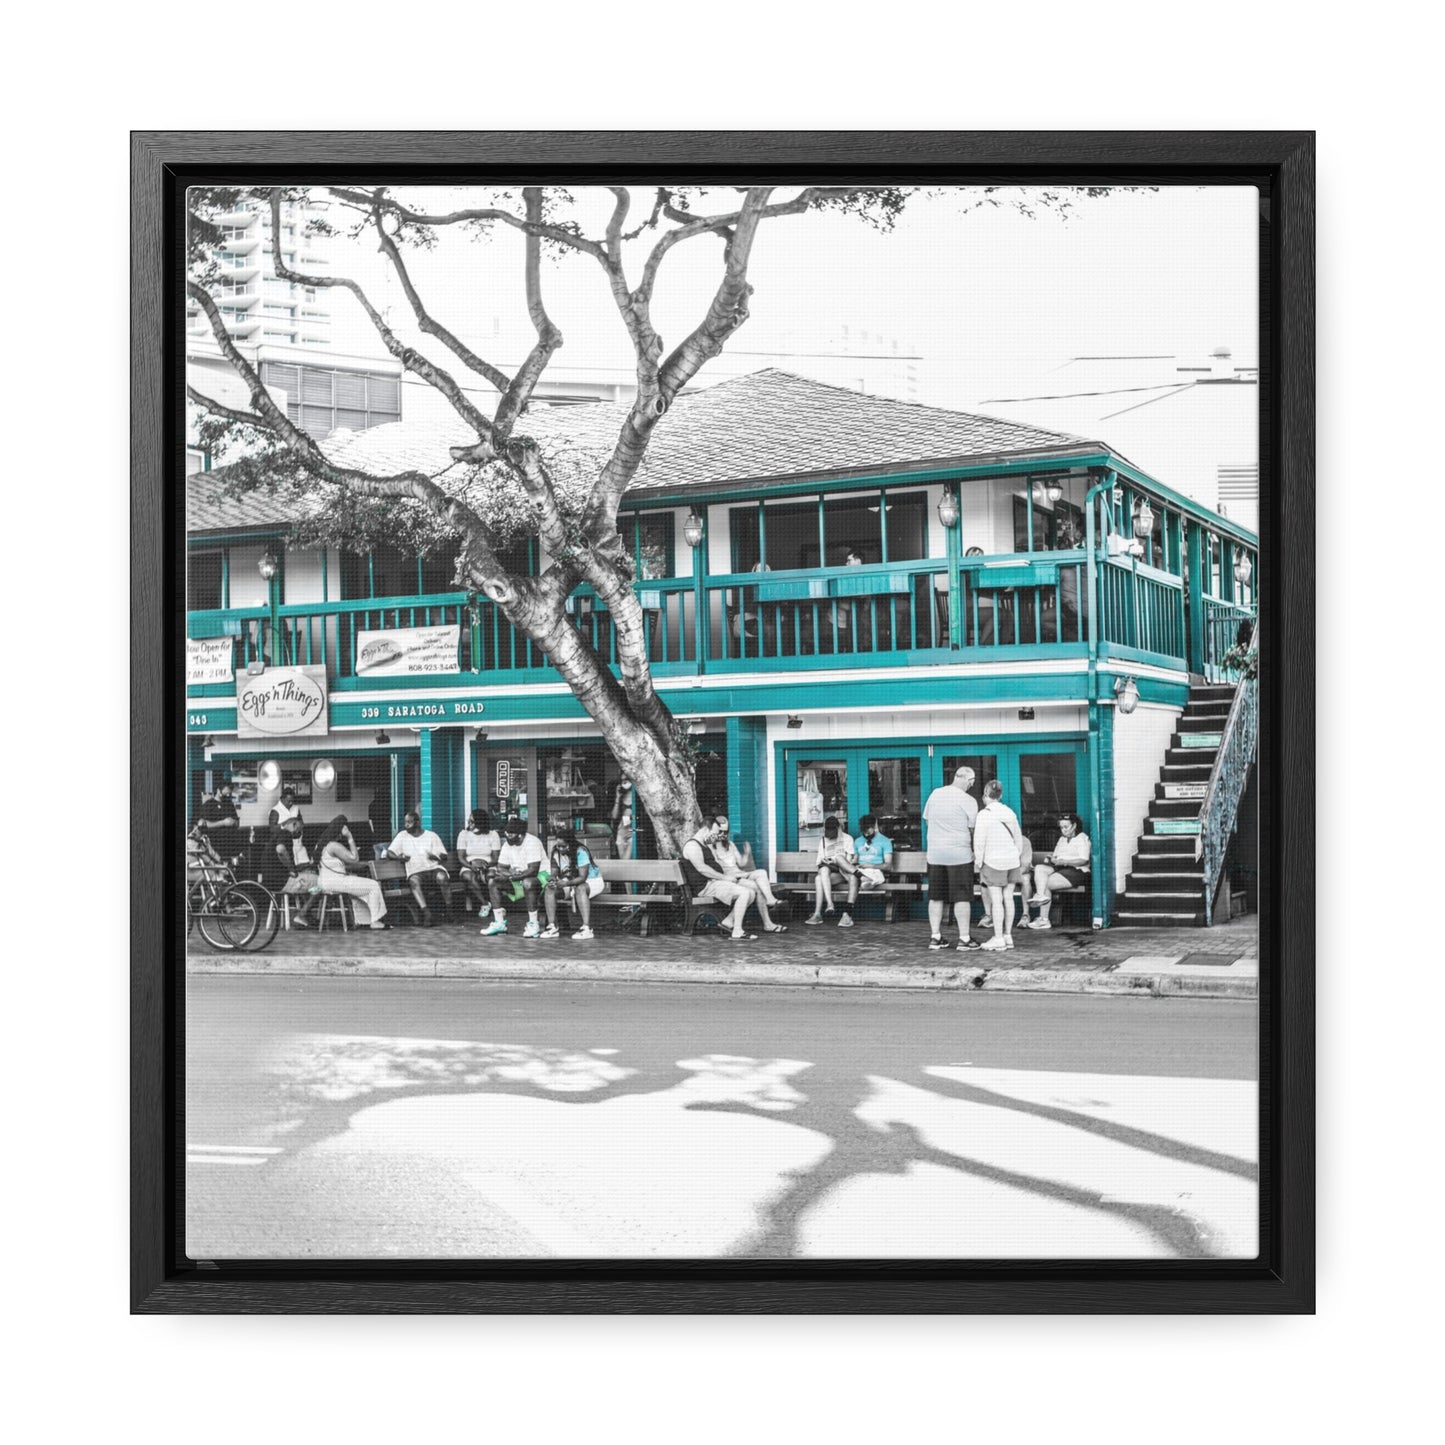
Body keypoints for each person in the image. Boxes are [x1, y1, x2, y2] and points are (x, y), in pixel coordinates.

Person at [922, 764, 980, 950]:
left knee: (936, 896)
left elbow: (928, 820)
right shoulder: (969, 800)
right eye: (972, 783)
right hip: (959, 855)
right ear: (969, 780)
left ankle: (935, 937)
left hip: (935, 854)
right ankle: (964, 939)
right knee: (962, 897)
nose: (971, 786)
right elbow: (973, 829)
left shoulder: (935, 794)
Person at [680, 820, 765, 941]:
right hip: (705, 886)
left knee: (751, 892)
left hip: (713, 883)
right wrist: (725, 877)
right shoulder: (692, 846)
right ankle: (737, 931)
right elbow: (702, 869)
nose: (716, 837)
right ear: (705, 830)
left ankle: (728, 921)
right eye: (714, 833)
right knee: (745, 893)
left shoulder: (704, 844)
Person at [973, 780, 1027, 952]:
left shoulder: (984, 814)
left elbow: (979, 841)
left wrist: (979, 861)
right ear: (1001, 795)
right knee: (1009, 898)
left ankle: (997, 937)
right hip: (1011, 860)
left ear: (985, 794)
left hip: (992, 861)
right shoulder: (1009, 812)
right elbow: (1018, 838)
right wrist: (1015, 855)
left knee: (996, 901)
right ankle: (1008, 935)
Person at [315, 815, 390, 930]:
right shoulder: (333, 845)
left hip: (324, 882)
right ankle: (375, 921)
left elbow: (342, 864)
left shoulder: (322, 844)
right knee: (374, 885)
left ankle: (362, 920)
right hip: (336, 883)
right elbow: (355, 858)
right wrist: (350, 837)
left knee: (360, 886)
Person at [481, 815, 546, 938]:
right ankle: (499, 922)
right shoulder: (507, 845)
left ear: (520, 835)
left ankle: (533, 924)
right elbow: (501, 867)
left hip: (541, 876)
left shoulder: (532, 842)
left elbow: (533, 870)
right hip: (518, 876)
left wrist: (512, 877)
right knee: (493, 882)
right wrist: (510, 875)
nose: (507, 836)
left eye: (511, 834)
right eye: (506, 833)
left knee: (528, 882)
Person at [711, 817, 787, 923]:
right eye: (720, 831)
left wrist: (746, 853)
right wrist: (733, 874)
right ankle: (768, 923)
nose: (722, 834)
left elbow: (741, 863)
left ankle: (770, 899)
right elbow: (717, 868)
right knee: (759, 888)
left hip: (739, 873)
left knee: (761, 872)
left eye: (725, 831)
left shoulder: (730, 844)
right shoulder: (710, 847)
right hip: (730, 878)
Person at [385, 810, 452, 927]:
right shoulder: (402, 836)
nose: (406, 825)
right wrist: (399, 858)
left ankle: (450, 911)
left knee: (442, 877)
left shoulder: (431, 836)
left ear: (417, 822)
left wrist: (436, 856)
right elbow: (389, 853)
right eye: (405, 822)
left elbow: (444, 856)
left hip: (433, 868)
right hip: (416, 871)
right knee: (413, 881)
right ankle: (427, 913)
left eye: (409, 822)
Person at [540, 820, 602, 940]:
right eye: (558, 846)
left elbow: (582, 877)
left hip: (592, 881)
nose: (560, 848)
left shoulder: (581, 851)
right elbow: (554, 871)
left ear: (571, 843)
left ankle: (586, 928)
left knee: (580, 888)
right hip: (570, 881)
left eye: (563, 846)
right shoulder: (555, 852)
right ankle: (552, 926)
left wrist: (565, 883)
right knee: (550, 889)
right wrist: (552, 879)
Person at [1029, 813, 1091, 929]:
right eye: (1061, 827)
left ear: (1074, 826)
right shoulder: (1062, 839)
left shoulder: (1082, 838)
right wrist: (1052, 858)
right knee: (1039, 868)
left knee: (1046, 883)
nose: (1063, 830)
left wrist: (1064, 862)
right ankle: (1040, 896)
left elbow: (1083, 860)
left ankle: (1044, 919)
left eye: (1066, 827)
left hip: (1076, 871)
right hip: (1060, 868)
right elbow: (1057, 856)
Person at [806, 815, 858, 926]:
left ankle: (818, 914)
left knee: (819, 879)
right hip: (829, 873)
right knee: (822, 873)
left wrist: (834, 861)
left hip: (842, 874)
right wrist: (825, 861)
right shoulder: (823, 840)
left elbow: (848, 863)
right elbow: (818, 862)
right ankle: (828, 904)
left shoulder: (847, 839)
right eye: (827, 831)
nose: (830, 835)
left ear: (838, 828)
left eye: (832, 831)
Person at [456, 807, 501, 916]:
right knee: (469, 877)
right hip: (469, 865)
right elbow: (461, 857)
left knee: (491, 877)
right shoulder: (464, 834)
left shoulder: (493, 835)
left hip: (488, 865)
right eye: (469, 821)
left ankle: (497, 907)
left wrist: (485, 865)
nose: (469, 823)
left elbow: (495, 858)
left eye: (472, 821)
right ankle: (485, 904)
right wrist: (472, 866)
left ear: (480, 822)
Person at [854, 814, 894, 901]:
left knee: (872, 874)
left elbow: (888, 866)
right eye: (863, 831)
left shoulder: (885, 841)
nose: (866, 834)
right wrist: (854, 864)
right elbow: (855, 860)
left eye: (868, 830)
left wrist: (871, 866)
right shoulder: (858, 841)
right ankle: (867, 882)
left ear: (874, 826)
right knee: (848, 870)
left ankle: (868, 882)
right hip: (858, 872)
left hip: (875, 870)